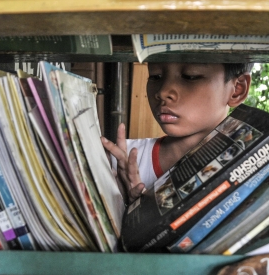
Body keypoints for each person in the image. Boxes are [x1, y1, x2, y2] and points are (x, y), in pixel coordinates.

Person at [101, 62, 253, 203]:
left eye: (190, 76)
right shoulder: (113, 162)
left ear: (237, 90)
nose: (162, 92)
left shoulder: (253, 171)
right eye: (155, 76)